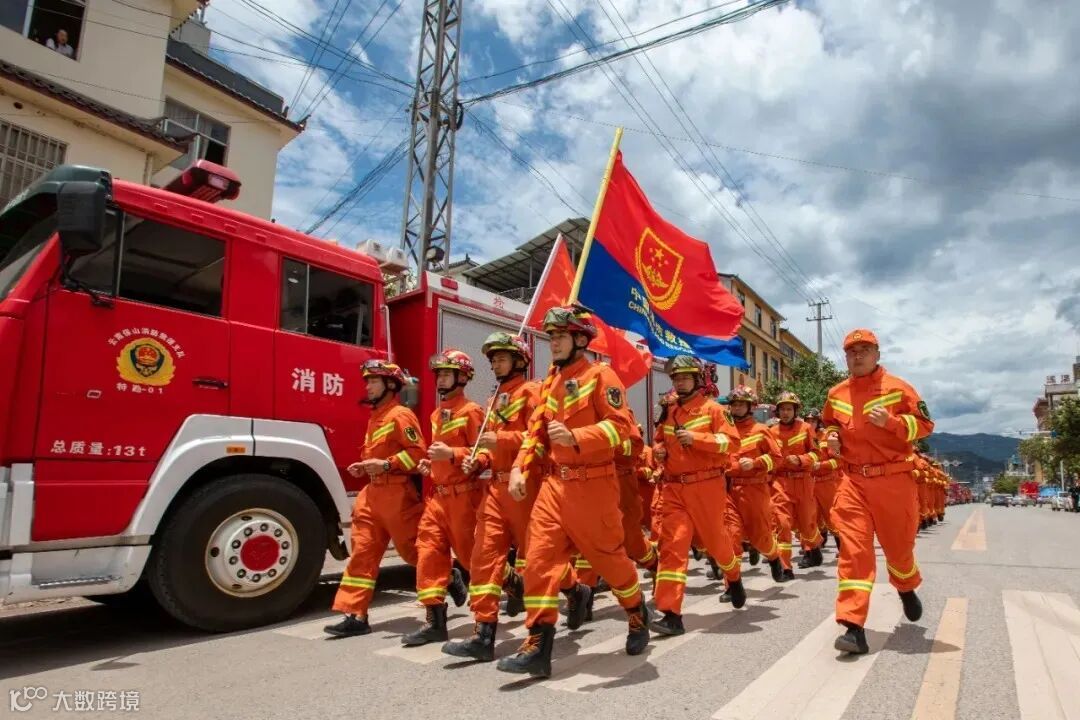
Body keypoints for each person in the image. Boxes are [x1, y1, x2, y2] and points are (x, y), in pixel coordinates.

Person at [496, 305, 647, 678]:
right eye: (551, 337)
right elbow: (535, 432)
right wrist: (518, 468)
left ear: (581, 340)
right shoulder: (550, 383)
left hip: (593, 486)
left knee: (610, 561)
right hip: (553, 486)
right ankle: (537, 644)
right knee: (538, 561)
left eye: (561, 336)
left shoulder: (601, 376)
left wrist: (577, 436)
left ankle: (636, 610)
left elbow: (622, 429)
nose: (554, 343)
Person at [823, 329, 934, 655]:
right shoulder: (836, 393)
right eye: (851, 351)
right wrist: (830, 438)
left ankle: (906, 587)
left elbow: (925, 425)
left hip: (893, 481)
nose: (857, 356)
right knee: (854, 552)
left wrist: (892, 423)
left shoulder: (899, 388)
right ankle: (853, 626)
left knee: (899, 551)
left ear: (877, 355)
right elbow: (829, 423)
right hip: (853, 481)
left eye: (864, 350)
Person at [442, 333, 541, 661]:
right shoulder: (494, 399)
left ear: (519, 360)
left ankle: (573, 590)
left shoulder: (532, 392)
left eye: (501, 358)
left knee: (537, 559)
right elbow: (488, 446)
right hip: (495, 490)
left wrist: (501, 440)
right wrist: (478, 460)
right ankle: (483, 634)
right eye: (493, 360)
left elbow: (538, 438)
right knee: (483, 556)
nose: (495, 364)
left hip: (523, 486)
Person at [324, 360, 426, 637]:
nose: (367, 387)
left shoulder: (401, 415)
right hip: (372, 494)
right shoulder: (375, 417)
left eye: (373, 381)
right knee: (362, 554)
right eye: (367, 381)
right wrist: (366, 466)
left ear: (390, 385)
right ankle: (355, 615)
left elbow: (418, 455)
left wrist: (387, 465)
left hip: (397, 495)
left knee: (413, 552)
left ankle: (446, 577)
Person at [651, 355, 745, 635]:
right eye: (676, 378)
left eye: (685, 377)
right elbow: (659, 440)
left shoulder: (713, 410)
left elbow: (732, 443)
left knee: (717, 543)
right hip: (674, 488)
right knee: (672, 548)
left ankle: (733, 576)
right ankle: (670, 613)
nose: (680, 382)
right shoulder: (668, 410)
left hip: (707, 487)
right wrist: (659, 452)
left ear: (697, 380)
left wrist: (698, 439)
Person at [401, 350, 485, 647]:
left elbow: (482, 452)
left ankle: (512, 584)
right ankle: (434, 621)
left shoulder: (472, 411)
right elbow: (440, 453)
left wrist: (453, 454)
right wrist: (431, 464)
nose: (441, 379)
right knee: (428, 552)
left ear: (463, 377)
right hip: (438, 498)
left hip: (465, 497)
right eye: (439, 374)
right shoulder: (437, 414)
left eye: (447, 374)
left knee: (472, 558)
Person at [724, 385, 786, 583]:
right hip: (728, 490)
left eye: (742, 404)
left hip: (755, 490)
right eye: (734, 404)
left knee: (761, 538)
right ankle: (732, 585)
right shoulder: (723, 431)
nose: (737, 408)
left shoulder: (761, 431)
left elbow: (777, 459)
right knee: (731, 537)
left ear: (751, 407)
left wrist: (756, 463)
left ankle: (774, 557)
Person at [769, 392, 825, 569]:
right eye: (782, 409)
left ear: (795, 411)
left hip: (803, 482)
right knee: (783, 523)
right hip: (781, 483)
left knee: (807, 524)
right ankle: (785, 567)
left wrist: (801, 460)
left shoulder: (805, 428)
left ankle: (814, 547)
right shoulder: (771, 432)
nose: (785, 413)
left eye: (789, 409)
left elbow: (817, 454)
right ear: (778, 411)